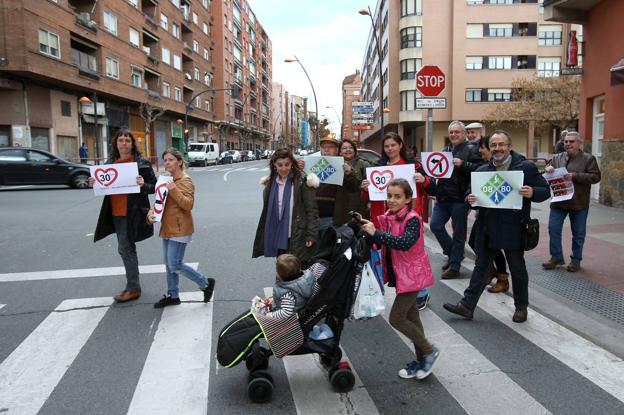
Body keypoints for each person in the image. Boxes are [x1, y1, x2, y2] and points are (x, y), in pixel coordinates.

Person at [443, 130, 550, 323]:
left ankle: (521, 307)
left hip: (514, 227)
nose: (497, 149)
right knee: (480, 268)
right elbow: (469, 196)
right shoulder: (482, 171)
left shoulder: (525, 168)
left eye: (501, 144)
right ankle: (467, 306)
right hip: (488, 227)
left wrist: (533, 192)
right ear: (489, 148)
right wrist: (470, 199)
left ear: (509, 146)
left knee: (517, 269)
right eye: (494, 145)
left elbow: (545, 191)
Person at [357, 178, 438, 380]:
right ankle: (422, 361)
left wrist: (377, 233)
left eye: (397, 197)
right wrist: (367, 229)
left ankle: (429, 351)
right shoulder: (388, 217)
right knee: (412, 318)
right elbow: (381, 241)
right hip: (400, 275)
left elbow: (404, 243)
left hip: (412, 276)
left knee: (397, 318)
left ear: (408, 199)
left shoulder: (412, 219)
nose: (392, 200)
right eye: (389, 196)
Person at [360, 132, 437, 309]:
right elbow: (368, 195)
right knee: (390, 256)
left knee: (412, 257)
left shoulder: (413, 165)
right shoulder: (377, 166)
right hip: (384, 218)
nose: (390, 149)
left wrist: (423, 179)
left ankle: (421, 292)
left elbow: (432, 188)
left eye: (393, 145)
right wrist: (364, 187)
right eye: (387, 146)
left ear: (400, 145)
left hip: (407, 217)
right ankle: (402, 290)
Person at [91, 129, 157, 303]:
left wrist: (143, 185)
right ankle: (133, 285)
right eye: (121, 140)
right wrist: (95, 182)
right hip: (115, 212)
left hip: (133, 213)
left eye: (127, 140)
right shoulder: (110, 163)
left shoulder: (141, 163)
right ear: (116, 143)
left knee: (125, 248)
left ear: (132, 144)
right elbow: (104, 183)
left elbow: (155, 187)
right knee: (126, 247)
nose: (124, 143)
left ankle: (133, 288)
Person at [147, 148, 216, 308]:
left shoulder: (186, 180)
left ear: (179, 162)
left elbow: (188, 205)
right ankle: (173, 295)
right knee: (168, 264)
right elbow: (158, 201)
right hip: (167, 227)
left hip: (180, 228)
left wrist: (173, 189)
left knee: (175, 264)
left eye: (170, 159)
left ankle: (205, 283)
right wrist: (150, 214)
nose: (167, 163)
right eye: (165, 160)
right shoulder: (165, 180)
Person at [430, 121, 483, 279]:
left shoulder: (472, 149)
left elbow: (482, 168)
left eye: (457, 132)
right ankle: (454, 254)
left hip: (460, 198)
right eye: (451, 132)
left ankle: (455, 266)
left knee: (458, 232)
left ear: (464, 134)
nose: (454, 135)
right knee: (435, 225)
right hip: (443, 197)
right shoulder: (445, 150)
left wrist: (463, 164)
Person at [542, 131, 601, 272]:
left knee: (578, 233)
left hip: (578, 202)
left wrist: (575, 176)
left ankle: (576, 260)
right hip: (558, 202)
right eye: (566, 141)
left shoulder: (589, 159)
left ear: (579, 143)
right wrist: (548, 169)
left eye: (571, 141)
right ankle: (556, 257)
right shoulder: (557, 158)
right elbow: (548, 173)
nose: (568, 144)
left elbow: (595, 177)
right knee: (553, 229)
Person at [253, 148, 319, 267]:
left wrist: (311, 235)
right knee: (283, 270)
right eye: (280, 165)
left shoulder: (303, 181)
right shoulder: (270, 184)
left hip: (297, 234)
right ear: (274, 165)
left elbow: (312, 210)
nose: (284, 168)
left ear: (292, 164)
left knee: (297, 270)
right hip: (278, 235)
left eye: (287, 164)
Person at [467, 136, 511, 293]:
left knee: (494, 247)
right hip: (483, 216)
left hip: (499, 219)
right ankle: (491, 271)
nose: (480, 150)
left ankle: (502, 278)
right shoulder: (484, 167)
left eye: (483, 148)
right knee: (474, 242)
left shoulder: (502, 169)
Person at [263, 254, 326, 319]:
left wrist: (270, 315)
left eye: (277, 271)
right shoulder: (309, 276)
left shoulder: (286, 292)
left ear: (280, 276)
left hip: (292, 316)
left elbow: (286, 312)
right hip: (300, 304)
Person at [337, 139, 369, 220]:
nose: (348, 150)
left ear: (354, 150)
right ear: (340, 152)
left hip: (360, 206)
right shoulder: (335, 165)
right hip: (341, 206)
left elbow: (370, 185)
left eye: (350, 147)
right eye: (344, 148)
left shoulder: (364, 164)